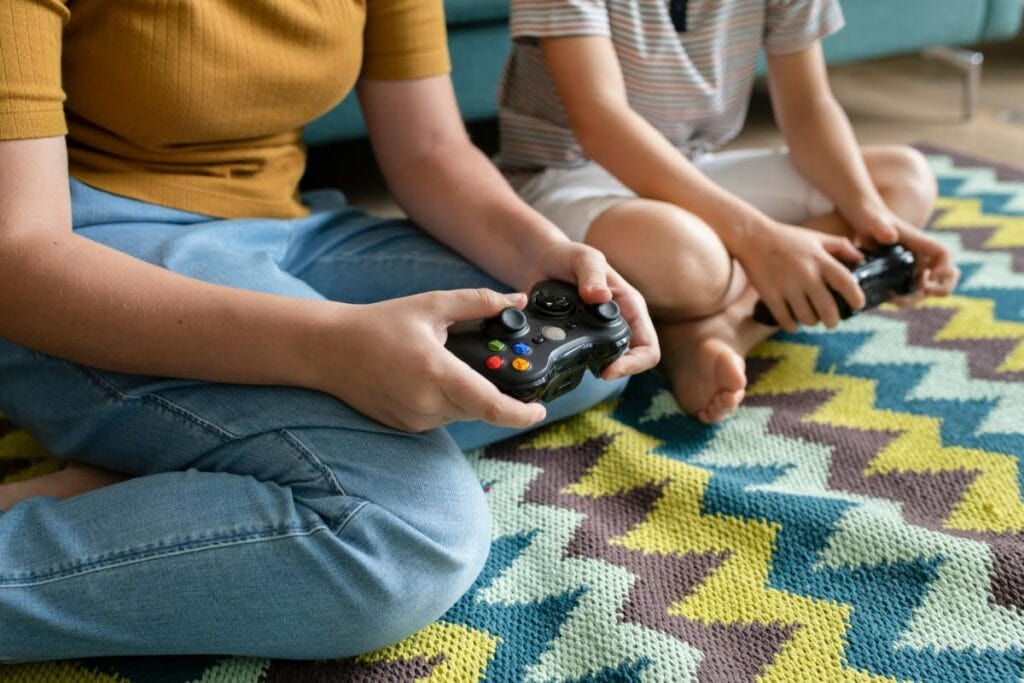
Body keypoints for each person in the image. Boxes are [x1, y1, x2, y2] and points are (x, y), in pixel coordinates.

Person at [0, 0, 659, 662]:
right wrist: (330, 347)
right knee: (402, 539)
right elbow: (19, 257)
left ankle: (194, 464)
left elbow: (430, 148)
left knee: (567, 356)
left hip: (287, 226)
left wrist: (540, 255)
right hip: (87, 256)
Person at [496, 0, 960, 424]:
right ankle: (724, 299)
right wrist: (759, 239)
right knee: (688, 261)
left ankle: (725, 326)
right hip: (567, 176)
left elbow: (809, 107)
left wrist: (875, 223)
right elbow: (601, 122)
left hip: (691, 164)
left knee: (904, 180)